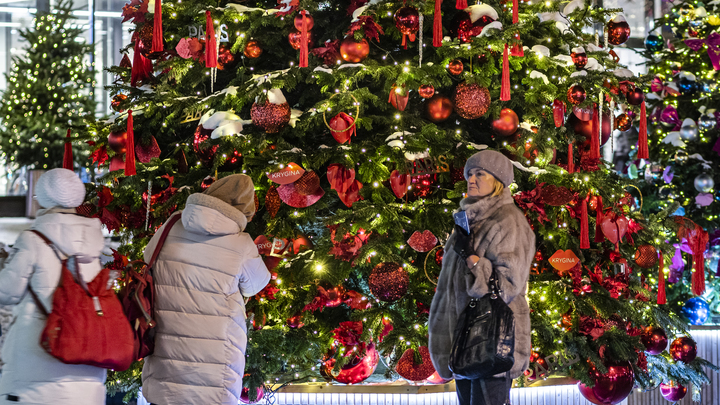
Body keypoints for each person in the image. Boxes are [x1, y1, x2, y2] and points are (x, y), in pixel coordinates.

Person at [141, 174, 271, 405]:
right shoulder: (241, 243)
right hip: (215, 368)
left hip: (165, 357)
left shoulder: (172, 225)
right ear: (244, 211)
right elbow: (255, 286)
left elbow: (147, 258)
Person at [429, 150, 535, 405]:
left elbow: (508, 284)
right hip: (466, 340)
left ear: (498, 181)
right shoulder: (469, 221)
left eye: (480, 174)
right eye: (469, 174)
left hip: (491, 340)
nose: (472, 179)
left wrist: (471, 257)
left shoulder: (509, 221)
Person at [0, 168, 108, 405]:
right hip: (86, 362)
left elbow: (6, 292)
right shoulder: (94, 242)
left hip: (38, 359)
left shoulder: (33, 239)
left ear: (44, 198)